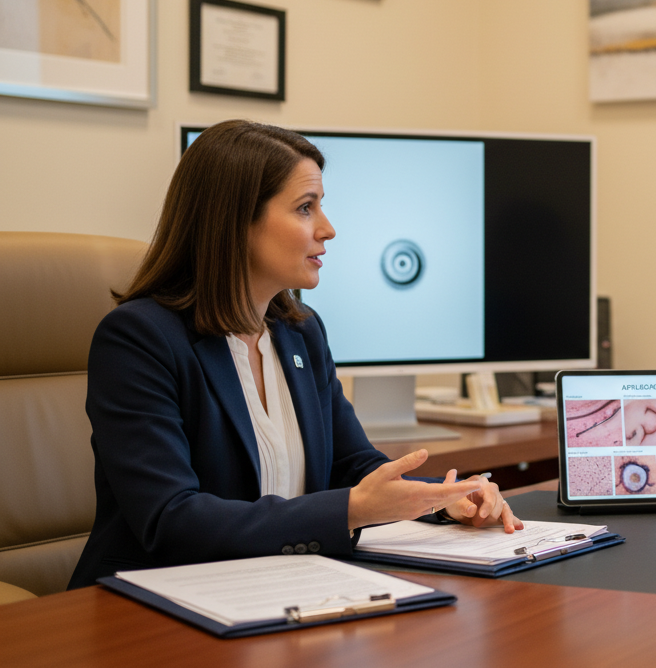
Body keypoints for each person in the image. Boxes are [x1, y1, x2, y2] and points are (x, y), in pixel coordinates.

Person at [69, 120, 521, 589]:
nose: (327, 229)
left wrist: (445, 498)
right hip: (153, 604)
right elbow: (170, 519)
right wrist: (352, 509)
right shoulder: (138, 340)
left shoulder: (300, 332)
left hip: (277, 589)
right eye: (306, 208)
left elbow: (353, 466)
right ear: (235, 220)